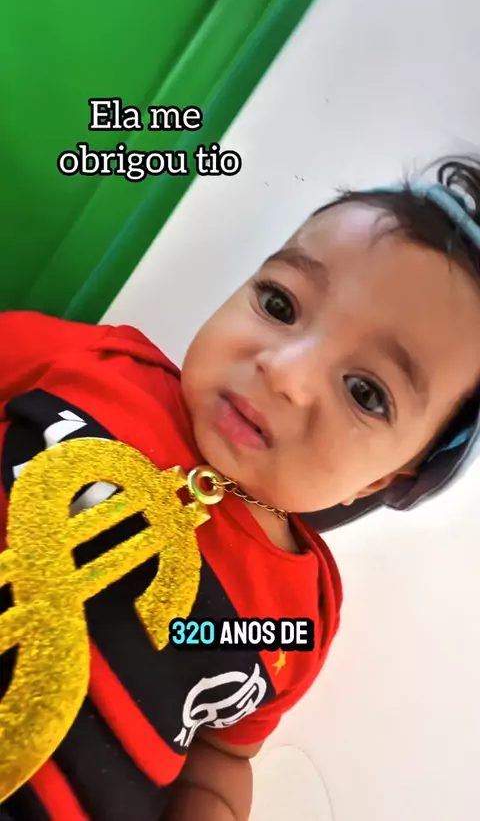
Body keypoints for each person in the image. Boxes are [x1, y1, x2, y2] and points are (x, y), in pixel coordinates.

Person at [1, 156, 480, 821]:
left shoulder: (299, 614)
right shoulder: (104, 367)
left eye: (365, 393)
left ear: (382, 478)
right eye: (280, 304)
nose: (286, 374)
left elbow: (223, 756)